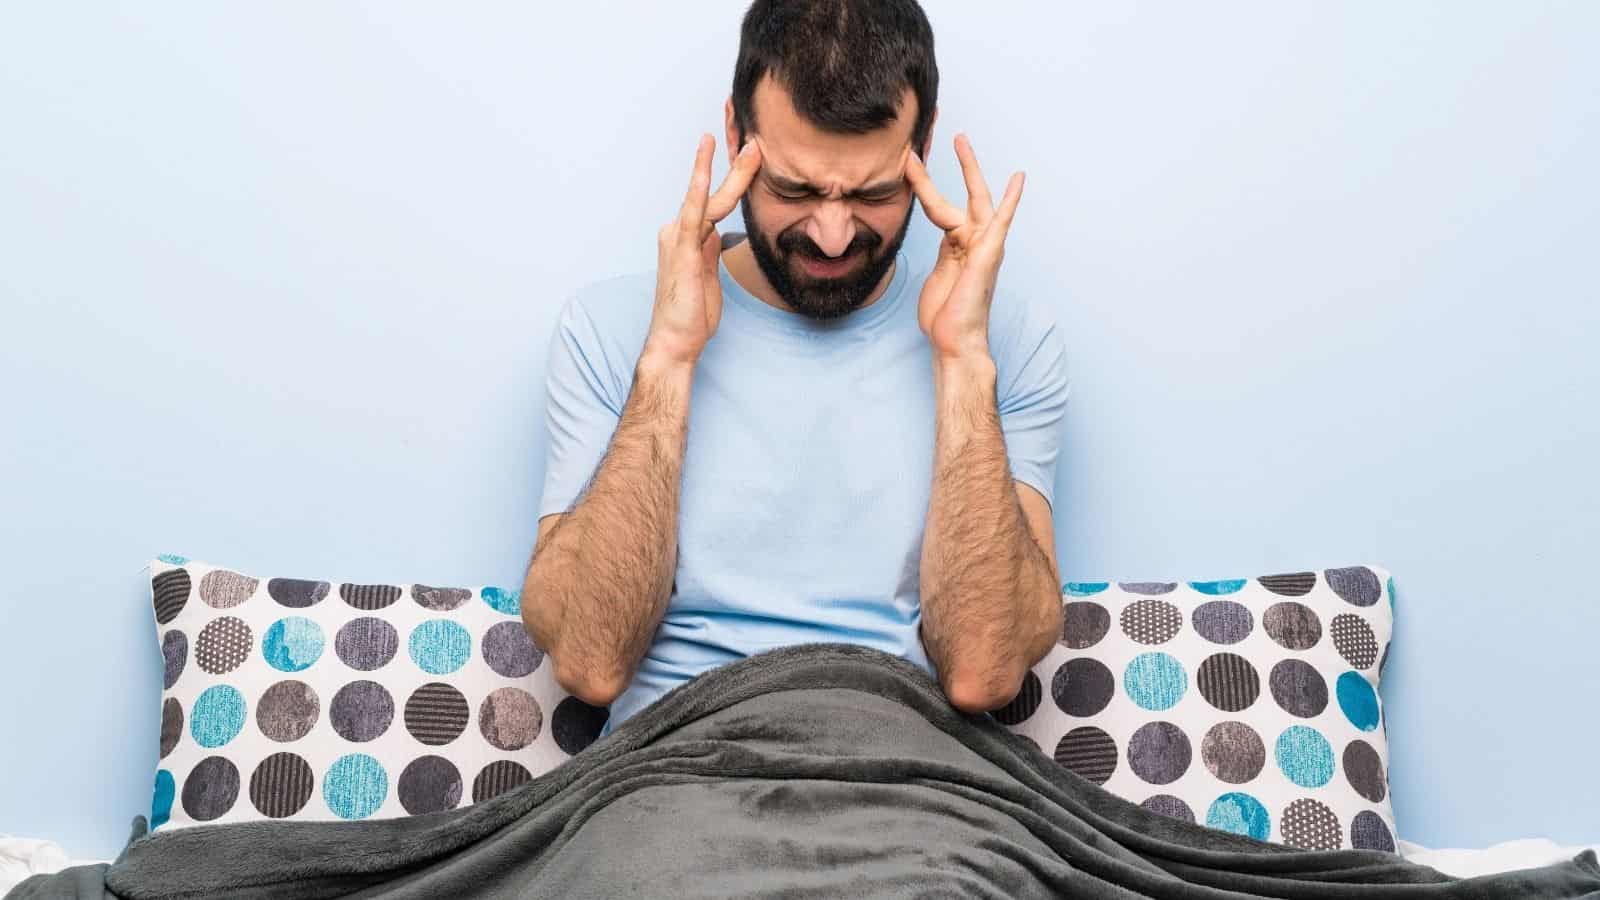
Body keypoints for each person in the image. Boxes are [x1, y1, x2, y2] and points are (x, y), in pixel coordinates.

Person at [521, 0, 1070, 739]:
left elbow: (983, 673)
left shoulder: (1006, 338)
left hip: (915, 785)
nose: (833, 235)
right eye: (795, 189)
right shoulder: (610, 331)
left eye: (874, 193)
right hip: (674, 779)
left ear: (925, 142)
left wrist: (963, 359)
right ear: (736, 134)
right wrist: (671, 358)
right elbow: (589, 664)